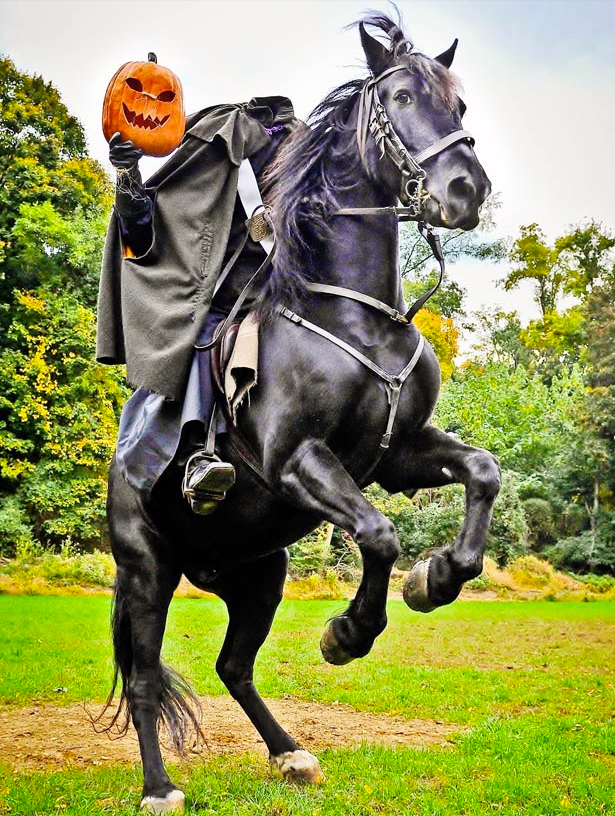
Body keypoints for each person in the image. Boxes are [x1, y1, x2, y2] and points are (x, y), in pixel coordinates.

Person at [96, 97, 298, 513]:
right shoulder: (209, 161)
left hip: (293, 299)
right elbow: (143, 227)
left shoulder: (309, 163)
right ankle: (198, 453)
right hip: (228, 302)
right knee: (207, 336)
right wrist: (128, 173)